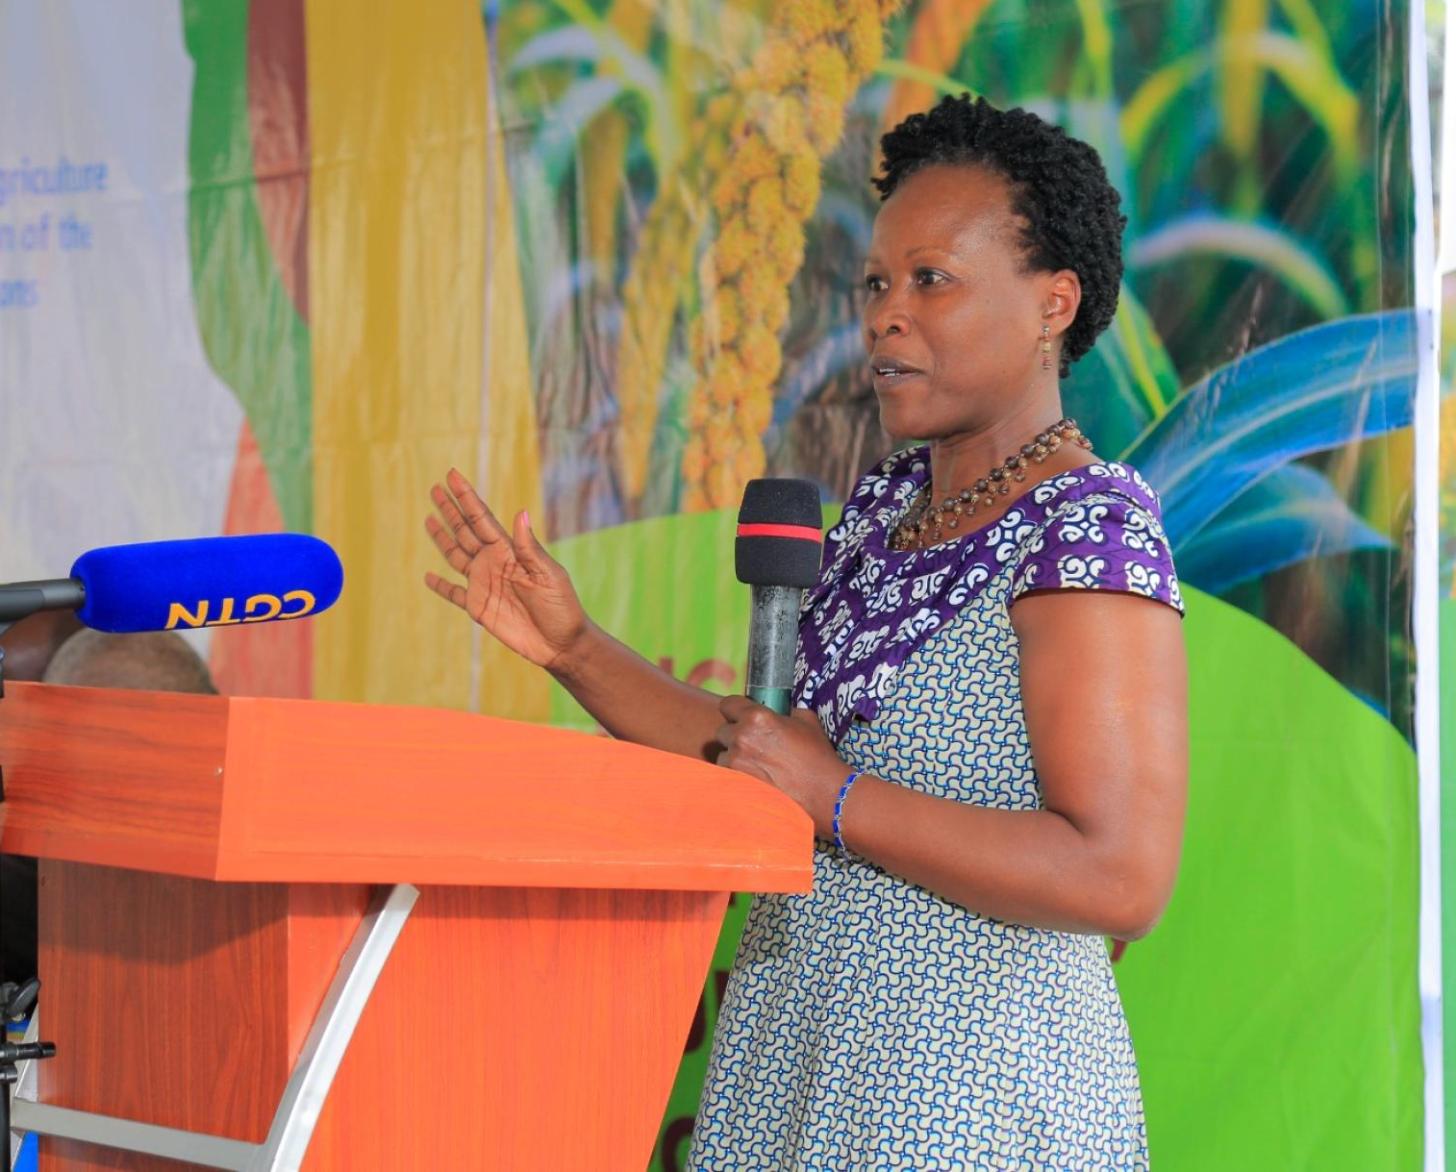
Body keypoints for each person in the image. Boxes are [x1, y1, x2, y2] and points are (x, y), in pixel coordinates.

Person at [424, 94, 1186, 1170]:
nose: (885, 314)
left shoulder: (1087, 526)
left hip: (967, 1096)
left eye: (932, 279)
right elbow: (762, 757)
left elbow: (1119, 874)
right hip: (796, 1058)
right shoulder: (879, 512)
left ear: (1053, 301)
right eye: (876, 282)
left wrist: (834, 796)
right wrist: (573, 646)